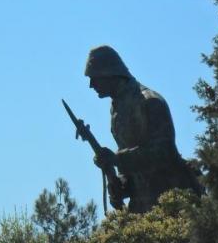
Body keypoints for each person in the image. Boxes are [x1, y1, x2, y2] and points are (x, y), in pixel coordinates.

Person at [85, 45, 202, 212]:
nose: (91, 85)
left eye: (94, 78)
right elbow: (135, 169)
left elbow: (164, 152)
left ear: (109, 73)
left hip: (174, 203)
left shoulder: (150, 101)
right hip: (143, 209)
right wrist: (121, 185)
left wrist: (117, 159)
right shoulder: (117, 109)